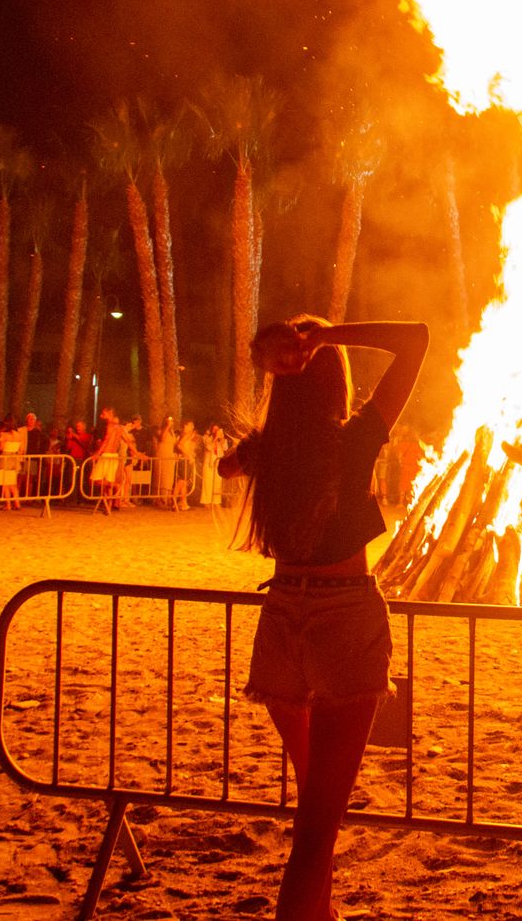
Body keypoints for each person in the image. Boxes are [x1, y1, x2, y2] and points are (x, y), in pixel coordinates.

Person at [219, 316, 427, 921]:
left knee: (317, 806)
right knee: (315, 831)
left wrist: (266, 437)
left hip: (282, 619)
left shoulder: (274, 447)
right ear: (333, 377)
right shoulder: (356, 437)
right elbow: (416, 339)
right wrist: (329, 335)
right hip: (343, 619)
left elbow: (229, 466)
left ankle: (322, 914)